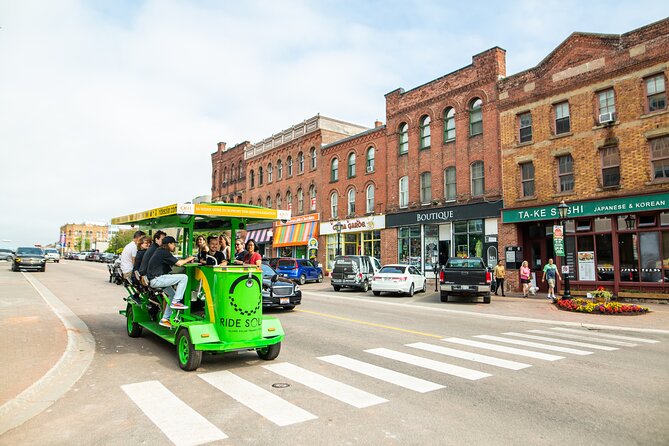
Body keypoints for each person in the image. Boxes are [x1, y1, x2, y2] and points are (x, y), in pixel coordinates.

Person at [147, 236, 195, 329]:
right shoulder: (164, 252)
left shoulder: (160, 251)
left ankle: (165, 319)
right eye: (173, 244)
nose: (174, 247)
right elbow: (179, 263)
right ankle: (176, 302)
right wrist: (189, 258)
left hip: (155, 279)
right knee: (184, 277)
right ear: (169, 244)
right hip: (157, 279)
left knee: (172, 294)